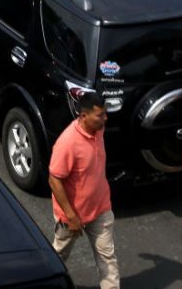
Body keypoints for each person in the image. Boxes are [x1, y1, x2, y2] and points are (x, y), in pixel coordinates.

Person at [49, 92, 120, 289]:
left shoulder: (99, 129)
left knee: (108, 259)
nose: (105, 118)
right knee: (59, 256)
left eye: (105, 113)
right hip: (71, 216)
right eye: (100, 115)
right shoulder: (67, 143)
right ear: (83, 116)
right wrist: (71, 216)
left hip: (100, 209)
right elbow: (54, 180)